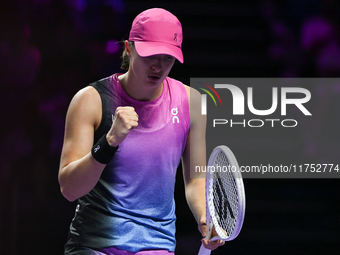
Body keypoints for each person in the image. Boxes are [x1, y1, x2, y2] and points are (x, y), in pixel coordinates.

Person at [58, 8, 225, 254]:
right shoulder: (91, 101)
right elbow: (69, 189)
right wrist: (109, 141)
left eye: (167, 58)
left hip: (156, 245)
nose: (158, 66)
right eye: (150, 55)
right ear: (129, 47)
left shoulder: (192, 103)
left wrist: (205, 218)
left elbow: (195, 179)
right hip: (94, 245)